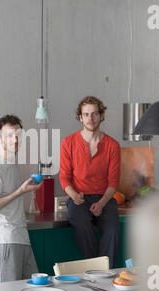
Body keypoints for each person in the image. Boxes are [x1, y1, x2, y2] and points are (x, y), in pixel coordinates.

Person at [59, 96, 121, 269]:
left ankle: (103, 272)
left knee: (113, 232)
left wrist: (101, 203)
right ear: (80, 117)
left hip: (105, 198)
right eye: (86, 114)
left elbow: (113, 182)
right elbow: (64, 177)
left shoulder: (112, 145)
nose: (90, 119)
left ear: (101, 116)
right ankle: (96, 270)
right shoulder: (68, 143)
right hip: (79, 198)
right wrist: (73, 195)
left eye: (94, 114)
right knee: (80, 223)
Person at [0, 114, 42, 282]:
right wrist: (20, 191)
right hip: (6, 240)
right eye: (9, 135)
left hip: (20, 237)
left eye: (18, 135)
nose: (15, 140)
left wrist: (25, 189)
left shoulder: (11, 165)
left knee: (33, 290)